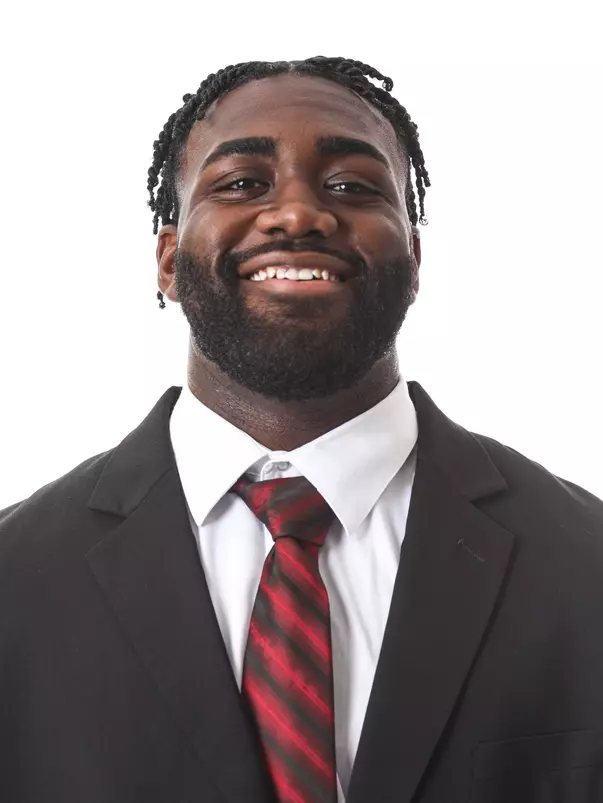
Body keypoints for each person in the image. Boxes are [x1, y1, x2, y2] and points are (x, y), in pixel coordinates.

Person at [0, 55, 602, 803]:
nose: (297, 215)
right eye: (242, 184)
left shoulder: (587, 564)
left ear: (414, 257)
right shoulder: (15, 578)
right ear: (166, 257)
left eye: (351, 187)